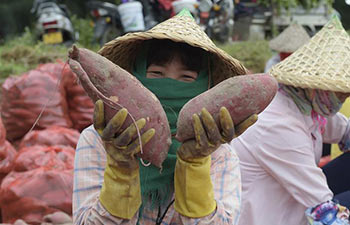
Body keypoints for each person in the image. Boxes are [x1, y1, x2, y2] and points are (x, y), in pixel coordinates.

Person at [73, 9, 258, 225]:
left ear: (204, 88)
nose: (169, 87)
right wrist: (120, 171)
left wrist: (194, 164)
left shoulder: (217, 153)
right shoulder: (99, 140)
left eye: (186, 78)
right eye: (156, 74)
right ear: (136, 78)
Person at [231, 16, 350, 225]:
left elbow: (344, 130)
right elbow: (324, 212)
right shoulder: (278, 123)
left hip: (291, 198)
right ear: (315, 85)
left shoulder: (306, 103)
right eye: (341, 93)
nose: (344, 99)